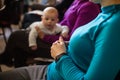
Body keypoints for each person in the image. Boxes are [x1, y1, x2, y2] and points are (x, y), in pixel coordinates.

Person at [0, 0, 120, 79]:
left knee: (17, 37)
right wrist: (67, 45)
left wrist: (60, 56)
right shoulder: (106, 13)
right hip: (52, 69)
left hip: (53, 73)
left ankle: (6, 58)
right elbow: (90, 43)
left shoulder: (114, 24)